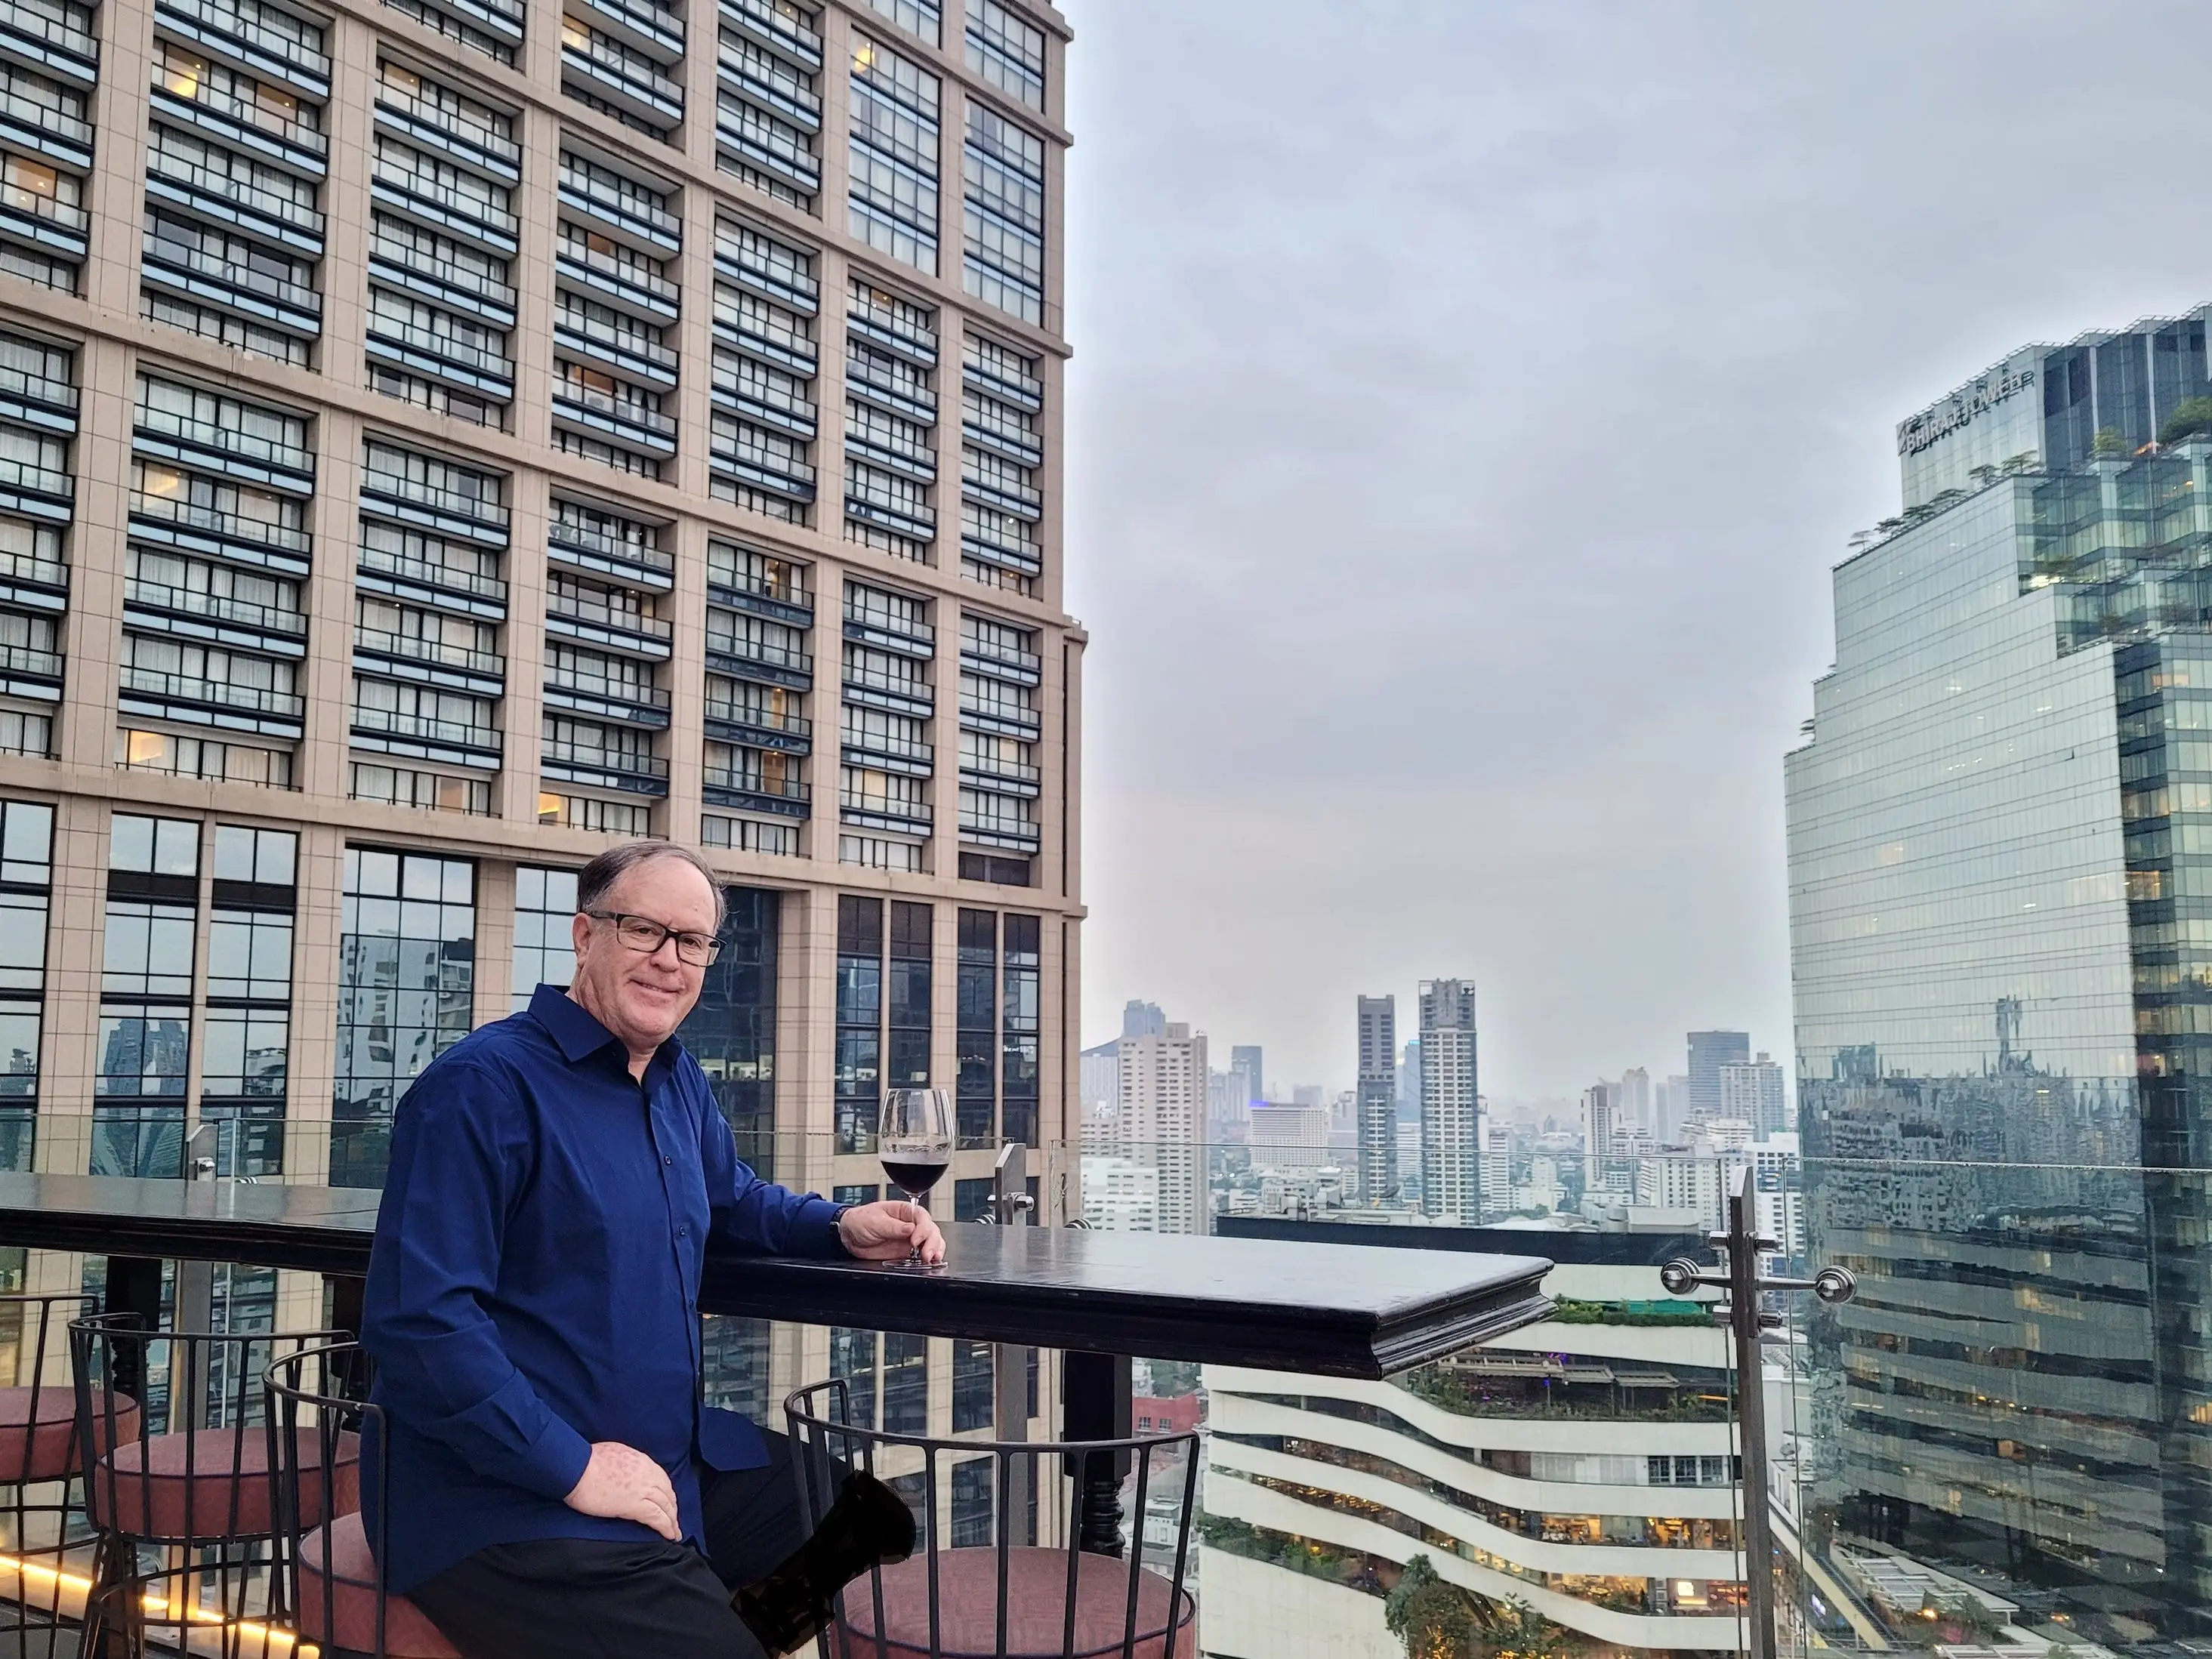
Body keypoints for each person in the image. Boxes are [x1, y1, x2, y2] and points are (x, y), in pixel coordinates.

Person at [362, 840, 945, 1659]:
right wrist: (575, 1468)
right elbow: (419, 1324)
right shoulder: (482, 1087)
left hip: (666, 1457)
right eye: (644, 930)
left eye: (692, 940)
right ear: (584, 934)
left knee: (868, 1518)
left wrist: (838, 1227)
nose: (670, 960)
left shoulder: (674, 1079)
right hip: (502, 1499)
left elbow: (732, 1200)